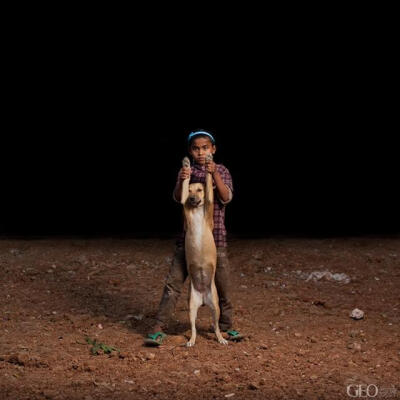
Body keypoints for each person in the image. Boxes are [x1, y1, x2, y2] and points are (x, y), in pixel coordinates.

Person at [144, 130, 243, 346]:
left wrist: (214, 172)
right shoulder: (187, 173)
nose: (201, 152)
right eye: (196, 148)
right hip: (187, 240)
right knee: (173, 284)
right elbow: (178, 197)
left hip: (215, 240)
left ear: (213, 149)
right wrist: (182, 180)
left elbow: (226, 197)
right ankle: (159, 327)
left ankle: (227, 327)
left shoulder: (222, 171)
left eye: (205, 148)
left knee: (222, 284)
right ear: (191, 150)